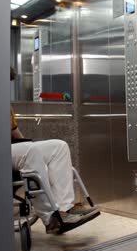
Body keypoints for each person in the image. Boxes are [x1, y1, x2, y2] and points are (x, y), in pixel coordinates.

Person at [10, 67, 99, 234]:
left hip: (11, 148)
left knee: (59, 146)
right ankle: (51, 218)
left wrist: (30, 145)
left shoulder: (4, 105)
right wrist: (30, 149)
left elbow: (15, 133)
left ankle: (65, 209)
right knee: (30, 151)